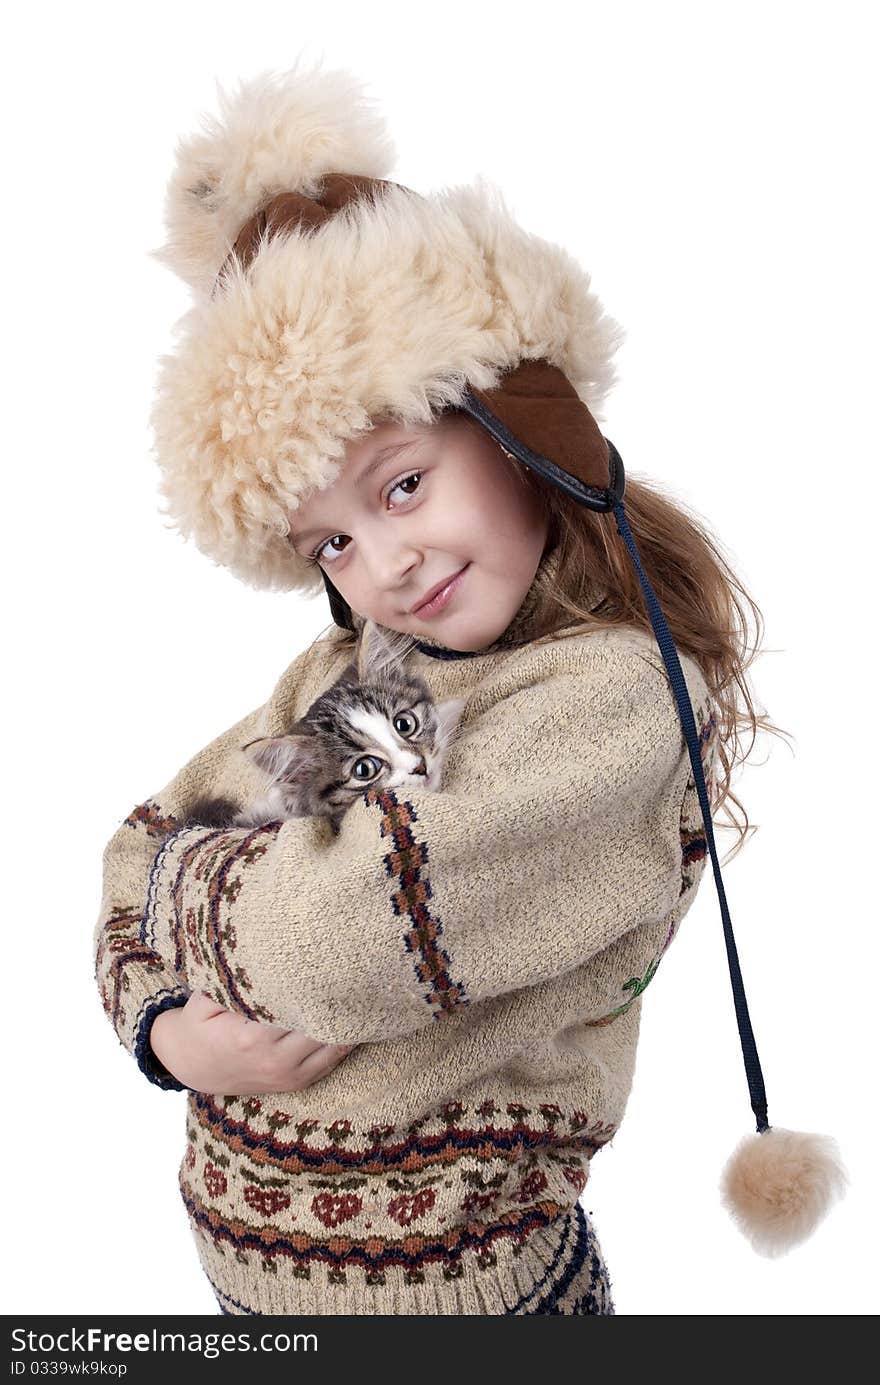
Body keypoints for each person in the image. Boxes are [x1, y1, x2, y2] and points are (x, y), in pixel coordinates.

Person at [93, 60, 846, 1317]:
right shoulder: (376, 681)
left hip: (472, 1305)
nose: (382, 563)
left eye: (399, 484)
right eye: (328, 540)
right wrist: (173, 1030)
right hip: (248, 1301)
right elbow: (135, 850)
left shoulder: (605, 705)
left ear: (516, 426)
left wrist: (210, 886)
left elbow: (332, 943)